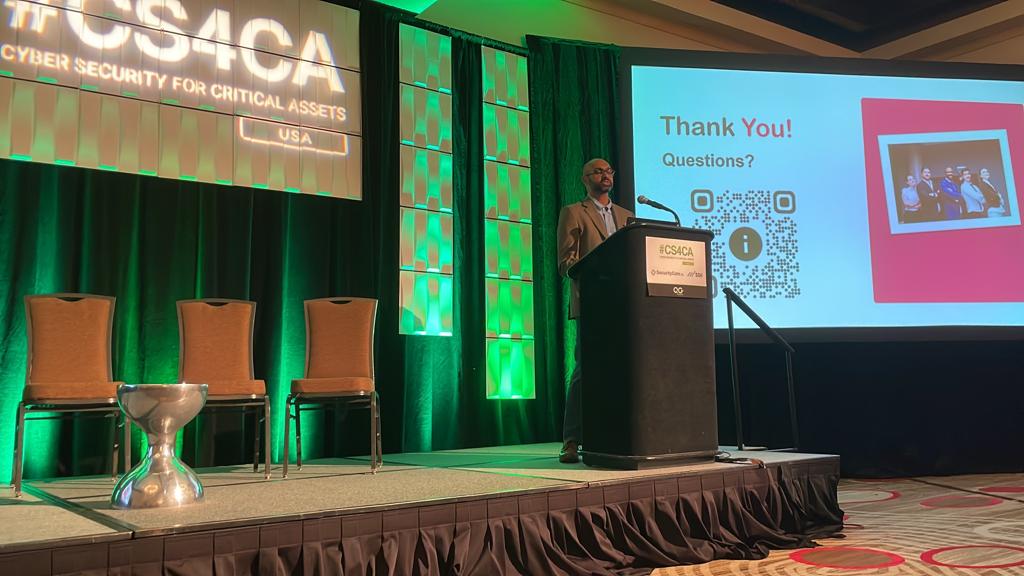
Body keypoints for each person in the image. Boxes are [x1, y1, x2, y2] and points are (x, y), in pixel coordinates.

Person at [555, 158, 634, 464]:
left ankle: (617, 437)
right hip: (592, 302)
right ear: (585, 178)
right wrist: (599, 269)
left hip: (625, 304)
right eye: (598, 171)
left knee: (624, 369)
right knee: (584, 371)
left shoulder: (627, 216)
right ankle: (572, 440)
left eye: (609, 170)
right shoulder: (574, 212)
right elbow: (566, 263)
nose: (606, 175)